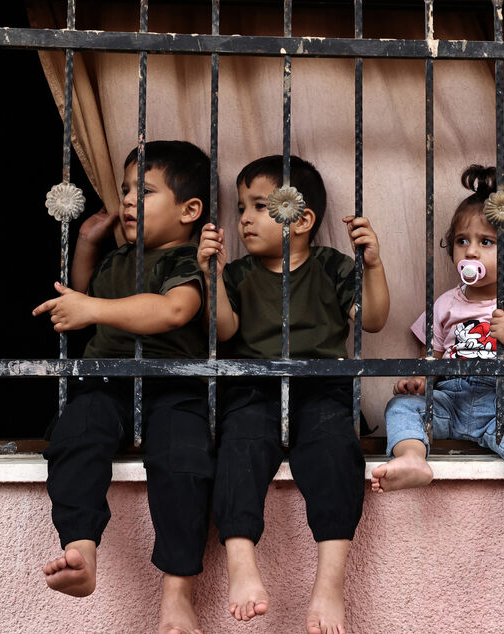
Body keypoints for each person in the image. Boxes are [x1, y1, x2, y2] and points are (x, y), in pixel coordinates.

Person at [197, 155, 389, 634]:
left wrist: (374, 264)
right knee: (238, 449)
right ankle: (241, 565)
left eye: (259, 206)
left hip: (322, 389)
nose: (243, 218)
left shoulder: (330, 266)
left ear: (301, 220)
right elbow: (223, 331)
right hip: (252, 391)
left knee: (335, 455)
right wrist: (212, 277)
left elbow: (373, 319)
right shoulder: (240, 274)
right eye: (241, 207)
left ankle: (330, 584)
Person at [32, 141, 214, 634]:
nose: (129, 200)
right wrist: (89, 245)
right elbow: (85, 291)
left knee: (183, 466)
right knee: (74, 436)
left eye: (146, 191)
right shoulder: (119, 259)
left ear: (189, 211)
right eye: (126, 189)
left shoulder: (187, 261)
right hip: (106, 383)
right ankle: (80, 549)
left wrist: (92, 309)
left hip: (173, 386)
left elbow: (175, 310)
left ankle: (178, 596)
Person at [371, 164, 504, 577]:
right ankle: (411, 458)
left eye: (487, 242)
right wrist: (421, 380)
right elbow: (433, 358)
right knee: (402, 407)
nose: (471, 252)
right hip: (454, 397)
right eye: (462, 241)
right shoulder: (445, 304)